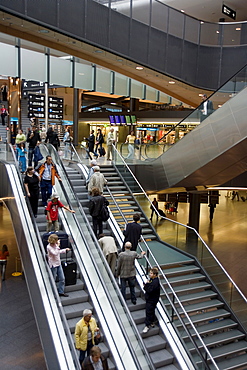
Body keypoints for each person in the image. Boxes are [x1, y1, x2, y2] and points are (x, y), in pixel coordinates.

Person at [142, 267, 160, 333]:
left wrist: (146, 285)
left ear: (155, 274)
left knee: (148, 311)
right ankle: (152, 322)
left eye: (151, 273)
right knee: (152, 311)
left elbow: (149, 290)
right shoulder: (154, 280)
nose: (150, 274)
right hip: (153, 299)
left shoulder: (155, 282)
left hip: (151, 299)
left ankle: (147, 325)